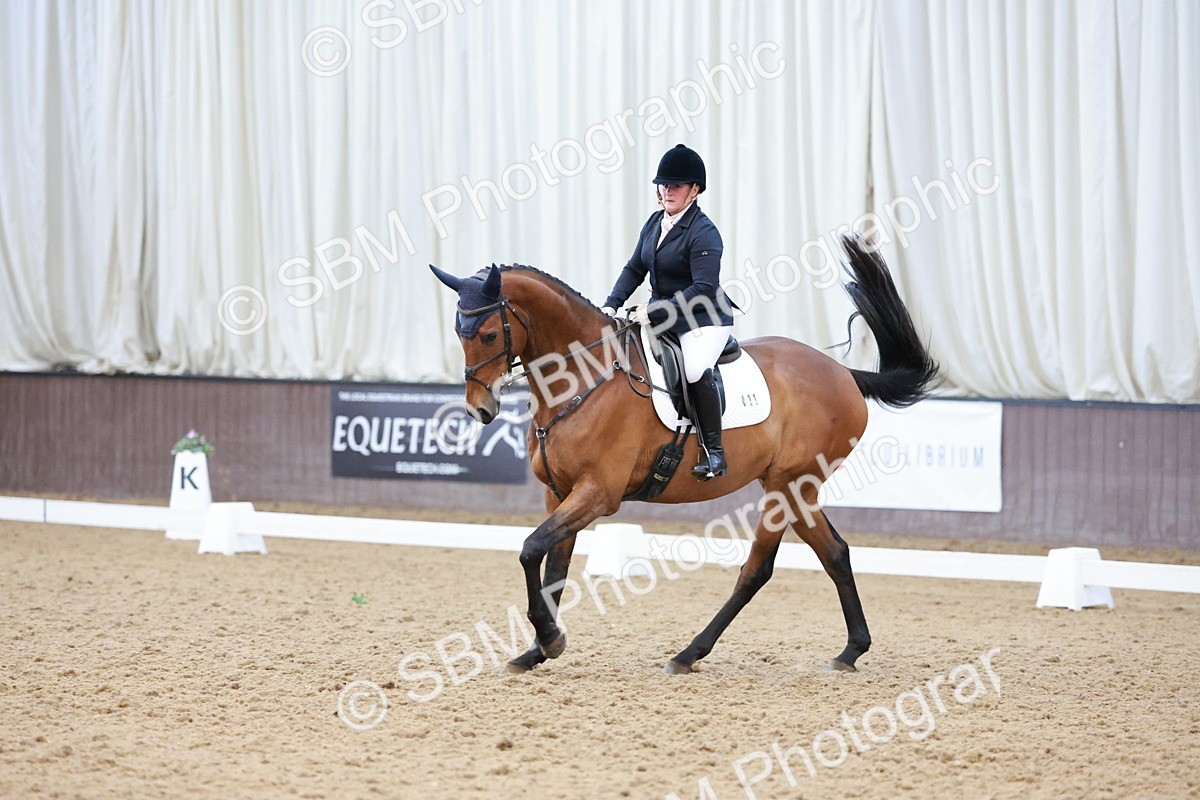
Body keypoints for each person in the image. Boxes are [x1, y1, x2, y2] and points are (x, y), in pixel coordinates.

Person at [601, 144, 737, 480]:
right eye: (663, 185)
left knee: (694, 369)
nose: (667, 191)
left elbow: (703, 288)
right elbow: (635, 268)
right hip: (661, 315)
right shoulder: (654, 223)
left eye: (675, 186)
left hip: (703, 319)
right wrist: (610, 304)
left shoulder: (704, 232)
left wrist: (656, 310)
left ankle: (715, 452)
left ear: (695, 190)